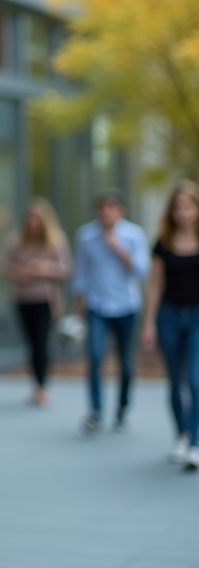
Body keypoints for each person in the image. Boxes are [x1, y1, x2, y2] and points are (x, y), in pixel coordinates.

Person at [73, 189, 149, 434]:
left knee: (126, 363)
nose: (105, 212)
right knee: (95, 357)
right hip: (97, 306)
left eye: (111, 207)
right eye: (101, 207)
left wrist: (116, 246)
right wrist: (79, 309)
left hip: (127, 306)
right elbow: (81, 275)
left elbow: (140, 270)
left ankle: (122, 407)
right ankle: (95, 411)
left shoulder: (134, 234)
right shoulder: (85, 236)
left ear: (121, 210)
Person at [140, 181, 199, 470]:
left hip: (198, 317)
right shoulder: (163, 242)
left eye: (188, 206)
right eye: (178, 207)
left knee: (196, 380)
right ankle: (181, 435)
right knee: (176, 381)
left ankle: (196, 442)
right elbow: (154, 286)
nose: (183, 212)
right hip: (169, 317)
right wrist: (148, 323)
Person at [4, 198, 72, 407]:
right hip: (23, 298)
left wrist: (44, 269)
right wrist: (20, 273)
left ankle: (41, 386)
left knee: (41, 343)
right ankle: (36, 382)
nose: (32, 223)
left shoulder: (56, 241)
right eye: (29, 218)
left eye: (36, 219)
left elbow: (66, 270)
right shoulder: (16, 241)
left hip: (45, 299)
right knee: (31, 343)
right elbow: (5, 266)